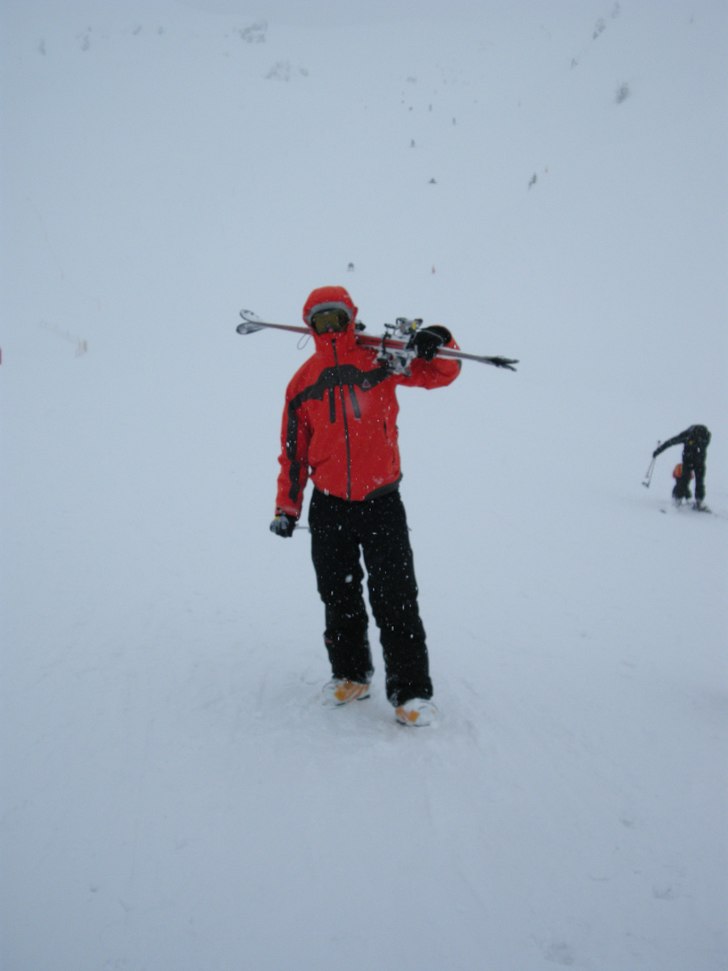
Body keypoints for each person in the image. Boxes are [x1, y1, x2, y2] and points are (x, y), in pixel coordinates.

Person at [269, 285, 461, 727]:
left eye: (337, 317)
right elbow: (293, 453)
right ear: (310, 327)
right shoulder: (302, 383)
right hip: (330, 505)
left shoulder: (381, 361)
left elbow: (442, 373)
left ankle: (411, 691)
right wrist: (287, 507)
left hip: (381, 502)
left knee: (396, 596)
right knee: (338, 595)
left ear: (352, 318)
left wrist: (439, 341)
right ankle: (351, 674)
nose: (330, 327)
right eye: (321, 320)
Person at [652, 424, 711, 508]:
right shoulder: (686, 435)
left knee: (699, 482)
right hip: (688, 461)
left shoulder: (706, 436)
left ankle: (699, 501)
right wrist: (658, 451)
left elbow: (703, 444)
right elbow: (671, 442)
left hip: (699, 462)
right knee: (684, 480)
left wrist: (693, 442)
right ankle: (677, 499)